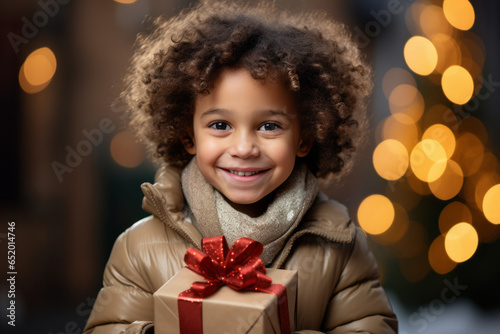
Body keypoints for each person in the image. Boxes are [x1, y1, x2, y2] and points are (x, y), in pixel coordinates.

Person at [83, 0, 398, 333]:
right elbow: (108, 327)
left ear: (304, 139)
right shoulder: (138, 249)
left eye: (269, 126)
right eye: (220, 125)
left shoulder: (338, 247)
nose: (244, 148)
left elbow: (371, 327)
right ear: (188, 135)